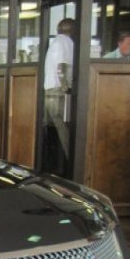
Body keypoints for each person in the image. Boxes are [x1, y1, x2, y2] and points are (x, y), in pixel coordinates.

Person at [43, 18, 75, 174]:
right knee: (66, 133)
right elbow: (61, 66)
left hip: (49, 91)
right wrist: (66, 86)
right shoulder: (65, 42)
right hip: (58, 92)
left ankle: (57, 166)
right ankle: (71, 167)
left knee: (57, 130)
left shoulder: (56, 42)